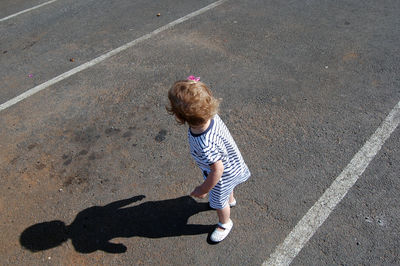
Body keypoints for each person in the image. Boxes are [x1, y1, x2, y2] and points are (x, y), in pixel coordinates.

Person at [167, 76, 251, 242]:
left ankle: (225, 222)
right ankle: (231, 199)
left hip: (221, 175)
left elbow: (217, 170)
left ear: (180, 117)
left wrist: (204, 188)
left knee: (219, 202)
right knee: (227, 190)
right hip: (232, 162)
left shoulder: (203, 143)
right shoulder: (211, 116)